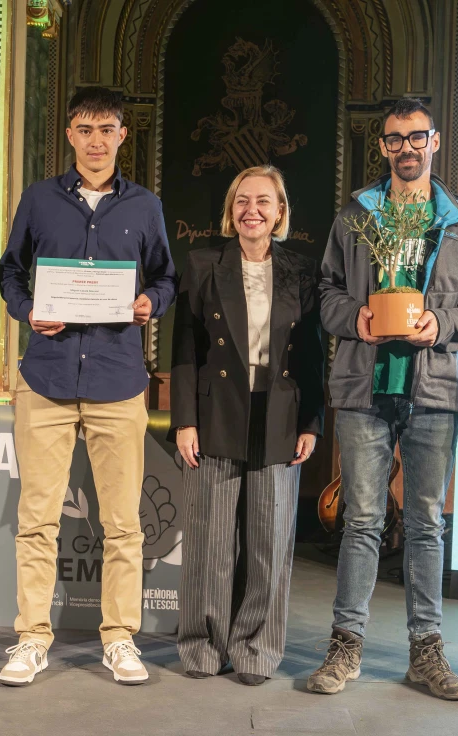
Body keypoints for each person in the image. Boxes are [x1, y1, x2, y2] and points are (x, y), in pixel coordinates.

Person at [309, 97, 458, 700]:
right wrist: (356, 320)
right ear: (384, 147)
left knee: (425, 525)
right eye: (395, 140)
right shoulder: (356, 216)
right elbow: (326, 291)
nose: (406, 148)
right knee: (362, 521)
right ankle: (345, 648)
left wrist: (440, 325)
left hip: (435, 386)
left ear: (435, 141)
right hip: (365, 384)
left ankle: (426, 653)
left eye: (417, 137)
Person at [0, 87, 177, 686]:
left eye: (107, 129)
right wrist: (25, 311)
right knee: (37, 519)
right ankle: (31, 638)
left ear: (124, 135)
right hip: (45, 377)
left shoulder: (144, 206)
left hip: (118, 378)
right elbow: (10, 270)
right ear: (69, 134)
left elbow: (167, 277)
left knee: (123, 522)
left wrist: (152, 300)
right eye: (85, 128)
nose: (96, 140)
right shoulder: (39, 200)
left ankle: (120, 638)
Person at [170, 165, 324, 686]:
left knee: (269, 545)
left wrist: (311, 422)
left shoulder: (303, 271)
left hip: (279, 414)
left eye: (263, 201)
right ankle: (202, 644)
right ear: (230, 209)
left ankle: (256, 648)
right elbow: (186, 350)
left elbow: (311, 355)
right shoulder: (202, 263)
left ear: (280, 212)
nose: (251, 210)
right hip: (215, 413)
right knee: (210, 545)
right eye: (241, 200)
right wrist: (183, 422)